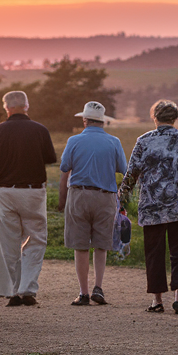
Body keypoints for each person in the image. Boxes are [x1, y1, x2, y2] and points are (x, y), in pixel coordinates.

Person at [0, 90, 57, 307]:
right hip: (32, 191)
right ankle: (28, 287)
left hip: (3, 192)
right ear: (26, 105)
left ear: (6, 108)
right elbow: (50, 159)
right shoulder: (40, 130)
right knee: (37, 238)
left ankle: (13, 290)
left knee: (8, 242)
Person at [118, 100, 178, 314]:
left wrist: (121, 198)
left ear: (155, 117)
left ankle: (157, 300)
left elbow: (132, 173)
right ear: (174, 118)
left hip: (151, 208)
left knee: (154, 254)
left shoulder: (144, 141)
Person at [58, 101, 126, 306]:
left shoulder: (74, 140)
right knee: (101, 245)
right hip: (105, 196)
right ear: (103, 121)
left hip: (79, 195)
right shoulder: (114, 142)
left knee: (80, 246)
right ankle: (99, 287)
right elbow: (124, 168)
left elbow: (64, 167)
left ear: (85, 120)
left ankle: (84, 292)